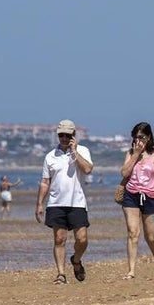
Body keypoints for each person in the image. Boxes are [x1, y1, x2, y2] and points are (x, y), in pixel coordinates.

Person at [35, 119, 93, 285]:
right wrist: (40, 203)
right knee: (59, 239)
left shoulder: (83, 150)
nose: (64, 138)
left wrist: (74, 151)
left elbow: (88, 169)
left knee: (82, 239)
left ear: (74, 135)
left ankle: (76, 260)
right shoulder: (50, 156)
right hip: (56, 203)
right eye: (61, 135)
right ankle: (61, 274)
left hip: (78, 203)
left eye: (68, 135)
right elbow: (45, 182)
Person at [120, 121, 154, 278]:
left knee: (151, 237)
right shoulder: (130, 154)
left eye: (141, 137)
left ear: (148, 137)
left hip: (152, 198)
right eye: (135, 137)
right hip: (131, 196)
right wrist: (135, 154)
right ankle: (131, 271)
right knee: (132, 233)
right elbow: (124, 173)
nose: (138, 140)